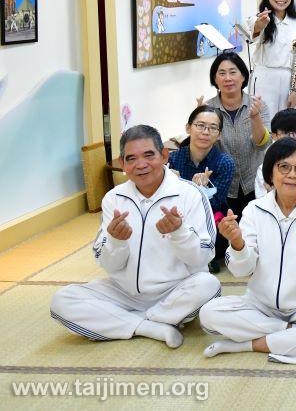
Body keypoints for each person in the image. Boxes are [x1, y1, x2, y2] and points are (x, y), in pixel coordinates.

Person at [50, 126, 220, 348]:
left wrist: (179, 232)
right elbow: (108, 264)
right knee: (62, 300)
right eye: (131, 158)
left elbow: (203, 257)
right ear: (122, 164)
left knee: (208, 285)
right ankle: (151, 326)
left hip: (175, 291)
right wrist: (116, 241)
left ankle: (126, 321)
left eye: (149, 155)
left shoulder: (190, 194)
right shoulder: (113, 198)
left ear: (164, 156)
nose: (141, 164)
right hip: (124, 292)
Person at [200, 138, 296, 364]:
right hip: (261, 304)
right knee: (208, 314)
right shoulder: (255, 209)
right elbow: (241, 271)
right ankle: (291, 332)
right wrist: (237, 243)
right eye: (284, 167)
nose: (292, 174)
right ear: (270, 172)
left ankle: (244, 345)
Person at [205, 52, 270, 271]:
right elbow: (205, 150)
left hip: (252, 180)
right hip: (222, 184)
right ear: (215, 79)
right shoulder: (208, 109)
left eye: (233, 72)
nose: (227, 78)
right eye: (221, 73)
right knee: (224, 238)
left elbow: (262, 144)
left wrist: (255, 117)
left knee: (254, 234)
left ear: (243, 76)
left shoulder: (258, 105)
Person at [244, 0, 296, 126]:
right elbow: (255, 31)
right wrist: (261, 24)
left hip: (290, 81)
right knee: (264, 124)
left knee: (291, 126)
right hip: (264, 79)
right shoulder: (258, 19)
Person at [169, 105, 236, 217]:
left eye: (213, 128)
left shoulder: (225, 163)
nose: (206, 132)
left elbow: (216, 205)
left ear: (219, 135)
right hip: (177, 217)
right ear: (188, 128)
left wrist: (201, 190)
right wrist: (170, 183)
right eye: (200, 125)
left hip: (209, 220)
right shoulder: (173, 159)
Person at [254, 108, 296, 198]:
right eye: (285, 132)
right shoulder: (265, 167)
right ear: (274, 136)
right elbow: (262, 202)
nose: (291, 137)